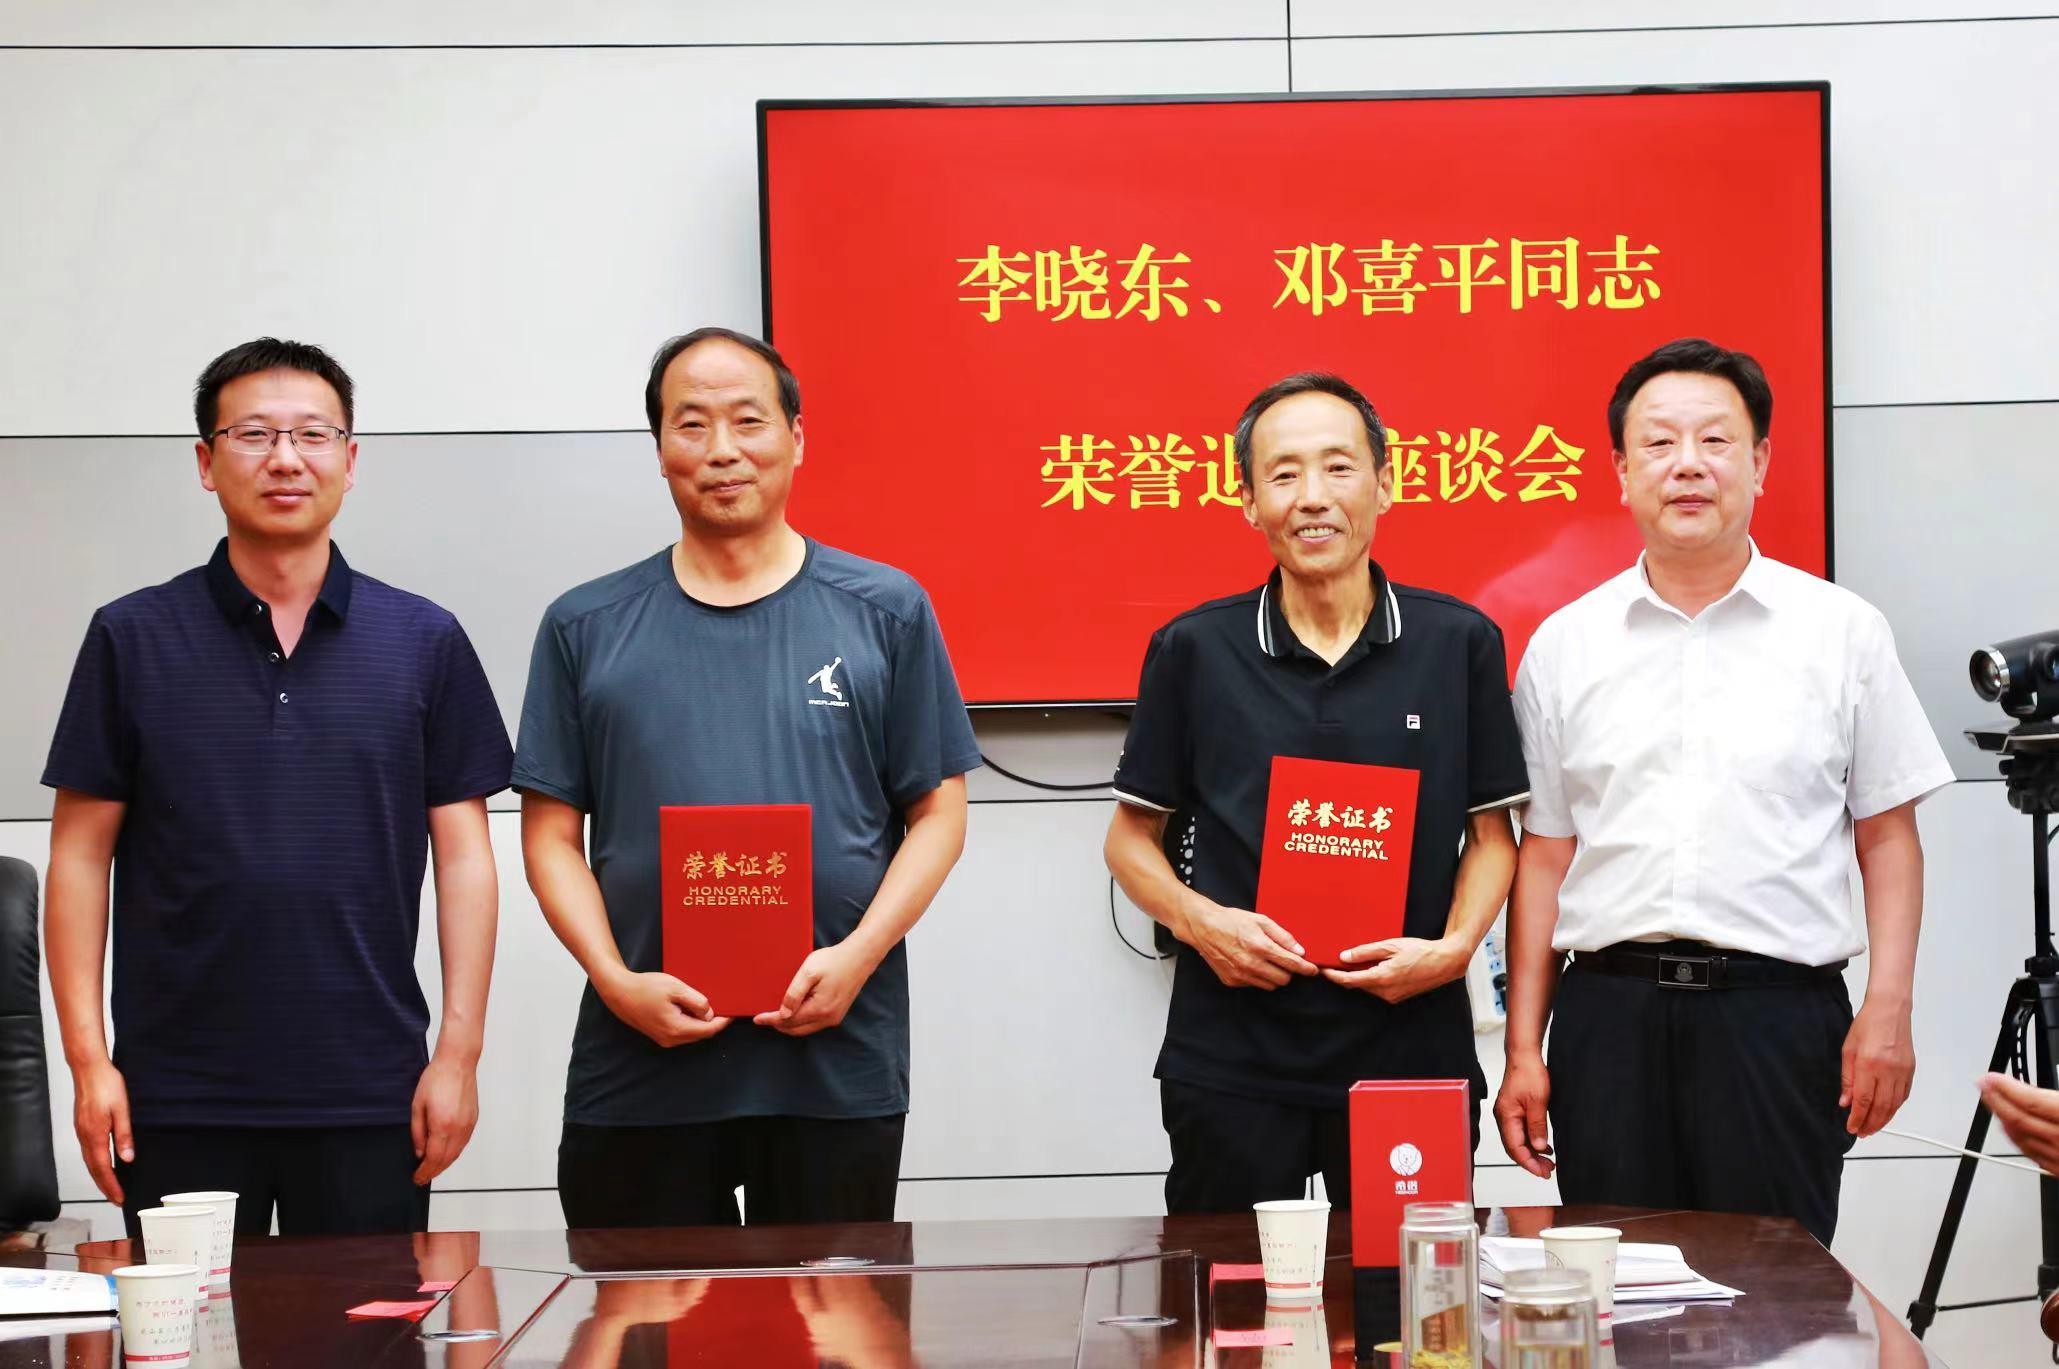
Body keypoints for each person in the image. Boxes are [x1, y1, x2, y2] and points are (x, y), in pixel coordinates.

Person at [43, 338, 511, 1237]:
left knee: (362, 1318)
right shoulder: (131, 636)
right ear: (205, 462)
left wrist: (458, 1054)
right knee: (188, 1321)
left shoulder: (424, 639)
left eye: (312, 434)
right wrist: (89, 1062)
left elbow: (465, 860)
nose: (286, 458)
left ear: (350, 460)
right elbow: (78, 858)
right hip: (174, 1093)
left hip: (372, 1089)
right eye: (254, 434)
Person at [515, 326, 978, 1228]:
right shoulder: (585, 624)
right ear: (659, 449)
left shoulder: (884, 610)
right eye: (691, 424)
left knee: (827, 1307)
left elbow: (938, 812)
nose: (722, 449)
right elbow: (550, 835)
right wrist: (613, 977)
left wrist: (857, 956)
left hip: (831, 1054)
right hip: (641, 1056)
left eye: (748, 420)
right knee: (645, 1302)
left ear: (796, 437)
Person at [1496, 337, 1954, 1244]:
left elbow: (1886, 836)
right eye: (1659, 443)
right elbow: (1544, 854)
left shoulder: (1840, 631)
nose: (1687, 465)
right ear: (1621, 470)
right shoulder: (1565, 644)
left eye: (1714, 440)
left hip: (1776, 1017)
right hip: (1609, 1020)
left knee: (1777, 1290)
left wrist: (1887, 1009)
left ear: (1759, 462)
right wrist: (1521, 1048)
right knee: (1619, 1288)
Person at [1103, 371, 1527, 1212]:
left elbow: (1492, 837)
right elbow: (1128, 838)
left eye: (1338, 467)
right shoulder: (1194, 649)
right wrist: (1200, 922)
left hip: (1409, 1040)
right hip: (1233, 1049)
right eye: (1283, 473)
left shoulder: (1457, 643)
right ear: (1248, 500)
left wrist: (1451, 950)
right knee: (1230, 1288)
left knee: (1411, 1286)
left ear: (1384, 483)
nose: (1312, 497)